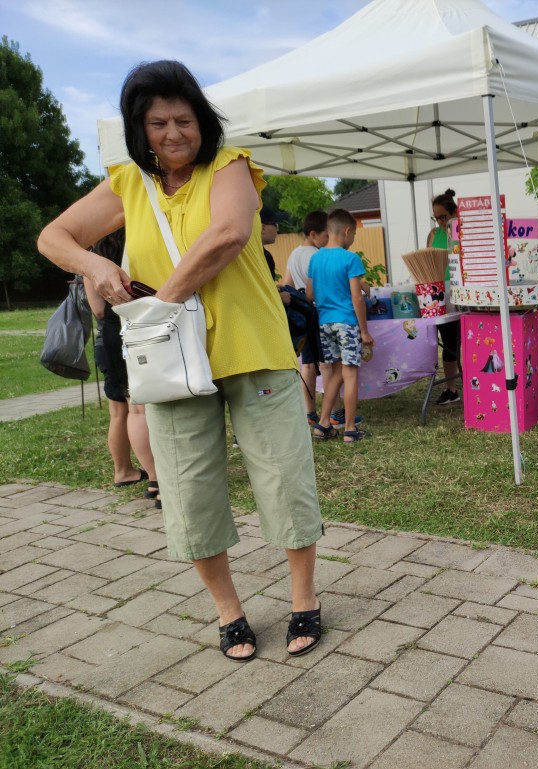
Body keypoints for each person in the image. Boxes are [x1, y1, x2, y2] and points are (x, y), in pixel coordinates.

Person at [37, 60, 323, 663]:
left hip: (250, 348)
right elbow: (53, 237)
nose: (173, 134)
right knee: (188, 490)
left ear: (204, 122)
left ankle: (304, 600)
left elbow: (226, 235)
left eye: (185, 120)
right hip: (168, 364)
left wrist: (161, 303)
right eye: (158, 122)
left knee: (284, 478)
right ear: (138, 129)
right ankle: (231, 613)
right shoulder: (126, 184)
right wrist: (96, 265)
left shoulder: (230, 166)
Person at [83, 229, 160, 507]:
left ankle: (149, 478)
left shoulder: (91, 261)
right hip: (143, 324)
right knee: (148, 406)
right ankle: (161, 480)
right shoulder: (139, 246)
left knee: (127, 408)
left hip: (111, 334)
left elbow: (99, 310)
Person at [306, 208, 373, 442]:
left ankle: (323, 424)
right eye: (353, 235)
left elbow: (309, 293)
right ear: (346, 231)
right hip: (347, 322)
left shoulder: (315, 258)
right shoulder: (350, 258)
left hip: (325, 323)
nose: (353, 240)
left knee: (334, 373)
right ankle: (351, 429)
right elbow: (357, 299)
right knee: (350, 374)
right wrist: (364, 331)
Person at [284, 210, 329, 422]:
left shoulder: (294, 254)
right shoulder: (318, 256)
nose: (328, 239)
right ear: (314, 234)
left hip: (302, 315)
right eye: (326, 234)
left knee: (308, 364)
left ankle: (309, 412)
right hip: (319, 312)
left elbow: (288, 285)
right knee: (326, 363)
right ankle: (334, 412)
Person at [425, 188, 461, 405]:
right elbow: (428, 260)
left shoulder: (461, 232)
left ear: (454, 212)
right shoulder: (433, 234)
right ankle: (451, 388)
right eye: (435, 217)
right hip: (439, 292)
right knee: (447, 341)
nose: (439, 221)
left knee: (459, 341)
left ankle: (473, 381)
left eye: (443, 217)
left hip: (461, 291)